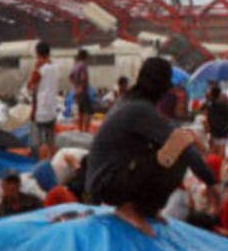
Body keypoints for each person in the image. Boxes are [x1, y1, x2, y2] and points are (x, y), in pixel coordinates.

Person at [87, 57, 218, 237]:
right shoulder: (139, 109)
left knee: (165, 150)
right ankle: (128, 207)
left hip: (105, 180)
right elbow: (182, 146)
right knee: (177, 152)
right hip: (108, 186)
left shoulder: (130, 101)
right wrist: (211, 183)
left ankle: (146, 208)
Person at [27, 41, 58, 158]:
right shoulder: (55, 68)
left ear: (37, 54)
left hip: (42, 111)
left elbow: (30, 85)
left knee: (42, 142)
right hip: (52, 109)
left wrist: (35, 67)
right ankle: (54, 163)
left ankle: (43, 164)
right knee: (52, 141)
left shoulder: (41, 70)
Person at [69, 49, 92, 133]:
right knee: (88, 111)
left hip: (76, 90)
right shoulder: (83, 65)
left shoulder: (75, 65)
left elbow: (70, 77)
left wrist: (75, 87)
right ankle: (85, 131)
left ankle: (80, 129)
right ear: (85, 57)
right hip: (82, 90)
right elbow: (83, 78)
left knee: (80, 111)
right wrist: (81, 87)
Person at [203, 86, 228, 158]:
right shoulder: (223, 105)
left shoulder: (209, 105)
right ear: (219, 94)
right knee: (220, 152)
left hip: (214, 132)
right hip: (222, 132)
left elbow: (208, 119)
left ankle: (214, 166)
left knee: (215, 152)